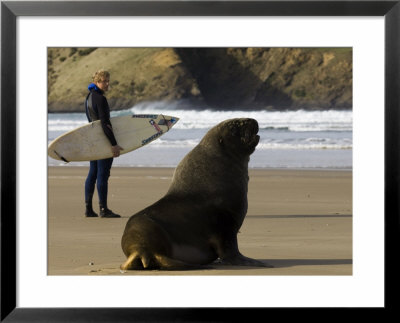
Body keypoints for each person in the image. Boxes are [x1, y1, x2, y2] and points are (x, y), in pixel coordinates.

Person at [84, 69, 123, 218]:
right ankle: (103, 209)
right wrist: (113, 144)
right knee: (102, 174)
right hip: (102, 141)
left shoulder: (89, 97)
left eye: (108, 81)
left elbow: (93, 122)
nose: (107, 84)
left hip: (92, 140)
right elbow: (105, 124)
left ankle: (88, 209)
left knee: (92, 173)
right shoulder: (100, 99)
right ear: (97, 82)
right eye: (104, 81)